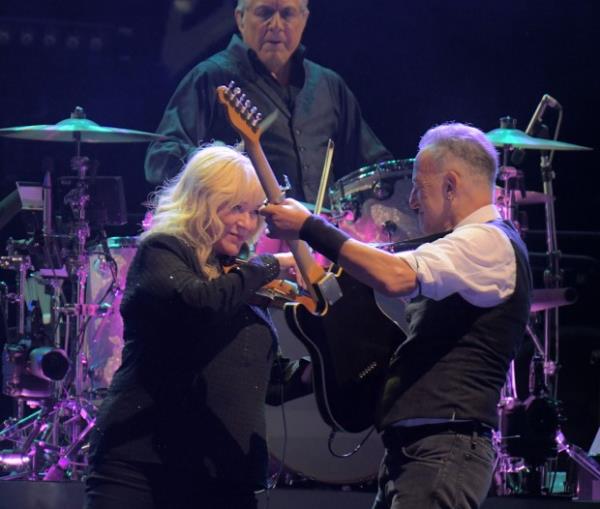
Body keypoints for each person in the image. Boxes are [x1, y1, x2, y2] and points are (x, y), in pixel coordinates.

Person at [261, 122, 532, 509]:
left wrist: (310, 227)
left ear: (451, 185)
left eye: (419, 189)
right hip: (422, 454)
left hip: (443, 452)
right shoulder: (469, 247)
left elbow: (396, 275)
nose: (414, 203)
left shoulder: (487, 241)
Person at [85, 144, 310, 509]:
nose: (246, 223)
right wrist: (269, 264)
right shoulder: (162, 252)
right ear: (201, 200)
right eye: (234, 207)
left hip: (224, 472)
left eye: (253, 212)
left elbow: (255, 376)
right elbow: (199, 304)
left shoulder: (234, 276)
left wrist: (314, 376)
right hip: (143, 466)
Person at [145, 0, 392, 203]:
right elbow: (160, 158)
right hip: (244, 242)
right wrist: (222, 172)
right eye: (264, 13)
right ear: (240, 18)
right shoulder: (211, 76)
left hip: (319, 241)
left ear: (304, 19)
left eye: (287, 14)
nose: (276, 25)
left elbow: (375, 168)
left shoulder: (328, 85)